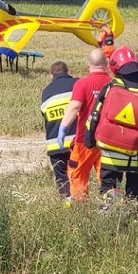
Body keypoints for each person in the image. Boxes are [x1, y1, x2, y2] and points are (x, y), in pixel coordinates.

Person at [85, 47, 138, 206]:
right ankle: (135, 216)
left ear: (115, 67)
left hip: (112, 153)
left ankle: (111, 220)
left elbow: (94, 116)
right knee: (136, 195)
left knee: (110, 191)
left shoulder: (112, 87)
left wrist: (90, 141)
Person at [58, 49, 112, 202]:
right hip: (107, 142)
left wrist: (63, 128)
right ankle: (110, 209)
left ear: (88, 64)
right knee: (108, 178)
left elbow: (74, 107)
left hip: (84, 140)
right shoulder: (113, 83)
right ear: (107, 64)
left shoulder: (82, 83)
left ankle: (81, 210)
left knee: (78, 176)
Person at [41, 61, 78, 197]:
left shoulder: (46, 92)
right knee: (77, 177)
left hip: (55, 144)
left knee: (62, 179)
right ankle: (80, 205)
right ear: (68, 72)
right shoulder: (77, 84)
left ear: (52, 75)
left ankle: (67, 203)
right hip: (76, 142)